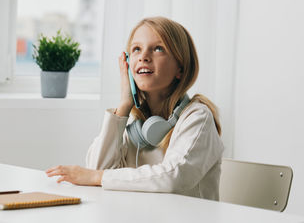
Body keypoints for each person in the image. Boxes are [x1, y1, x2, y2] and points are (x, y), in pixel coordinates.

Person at [46, 16, 224, 200]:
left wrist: (96, 177)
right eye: (137, 49)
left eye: (158, 49)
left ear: (180, 68)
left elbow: (173, 177)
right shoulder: (131, 121)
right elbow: (96, 169)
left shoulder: (198, 117)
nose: (144, 57)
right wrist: (123, 106)